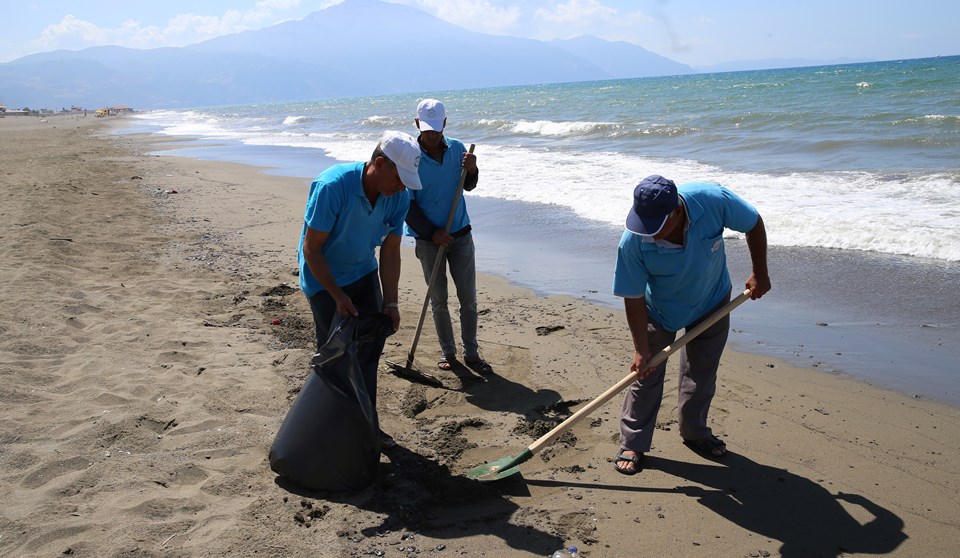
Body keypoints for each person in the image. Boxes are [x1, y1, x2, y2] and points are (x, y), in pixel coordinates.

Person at [611, 174, 771, 475]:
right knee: (645, 374)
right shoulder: (633, 241)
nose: (650, 234)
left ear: (678, 212)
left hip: (712, 300)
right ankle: (633, 442)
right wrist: (641, 350)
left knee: (701, 372)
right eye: (645, 225)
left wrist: (759, 272)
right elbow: (632, 296)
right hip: (659, 310)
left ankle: (695, 432)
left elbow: (754, 223)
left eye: (657, 226)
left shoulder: (712, 200)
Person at [298, 129, 423, 447]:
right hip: (324, 279)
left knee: (369, 352)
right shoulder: (333, 186)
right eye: (400, 178)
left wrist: (391, 303)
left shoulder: (399, 197)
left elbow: (391, 251)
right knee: (336, 358)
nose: (402, 188)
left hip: (363, 272)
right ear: (380, 164)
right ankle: (331, 430)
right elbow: (312, 249)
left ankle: (365, 425)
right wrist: (338, 296)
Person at [403, 98, 491, 374]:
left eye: (437, 127)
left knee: (469, 299)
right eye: (427, 128)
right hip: (428, 240)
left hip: (460, 234)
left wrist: (473, 169)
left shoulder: (457, 150)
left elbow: (468, 186)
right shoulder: (410, 156)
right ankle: (448, 353)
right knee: (438, 299)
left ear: (444, 123)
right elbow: (407, 204)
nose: (432, 134)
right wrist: (432, 232)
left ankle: (472, 353)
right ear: (417, 124)